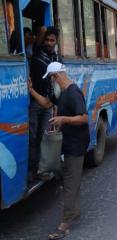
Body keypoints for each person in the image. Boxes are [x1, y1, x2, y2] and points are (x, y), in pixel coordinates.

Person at [28, 62, 89, 239]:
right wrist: (31, 91)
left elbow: (83, 118)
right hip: (67, 142)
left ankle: (65, 223)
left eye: (51, 79)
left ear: (57, 77)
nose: (50, 82)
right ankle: (74, 211)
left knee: (70, 181)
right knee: (67, 176)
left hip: (76, 144)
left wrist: (63, 119)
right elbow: (47, 104)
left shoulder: (73, 92)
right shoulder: (60, 92)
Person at [29, 27, 61, 179]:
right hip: (35, 103)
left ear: (56, 42)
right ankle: (32, 170)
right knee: (33, 137)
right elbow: (41, 32)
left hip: (48, 104)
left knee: (44, 137)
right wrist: (44, 30)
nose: (49, 43)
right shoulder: (37, 53)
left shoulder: (56, 59)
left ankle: (42, 170)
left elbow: (57, 85)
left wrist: (55, 106)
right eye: (47, 40)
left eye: (52, 40)